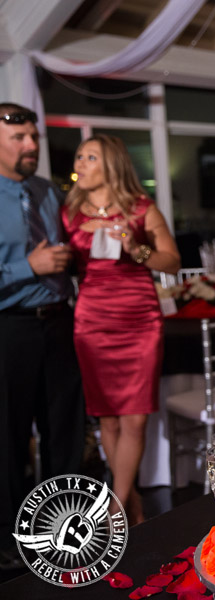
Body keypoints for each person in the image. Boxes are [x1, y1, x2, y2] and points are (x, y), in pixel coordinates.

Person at [62, 134, 181, 525]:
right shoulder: (70, 213)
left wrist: (137, 249)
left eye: (90, 156)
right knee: (107, 418)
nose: (81, 162)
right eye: (79, 156)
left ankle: (115, 507)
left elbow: (173, 262)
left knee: (135, 418)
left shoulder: (141, 209)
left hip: (139, 319)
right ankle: (130, 506)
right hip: (92, 320)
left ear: (110, 164)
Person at [0, 103, 84, 570]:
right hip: (8, 327)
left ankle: (63, 530)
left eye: (34, 137)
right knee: (8, 436)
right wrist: (25, 267)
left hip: (57, 321)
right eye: (19, 139)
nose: (31, 146)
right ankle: (10, 540)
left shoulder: (48, 191)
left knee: (64, 431)